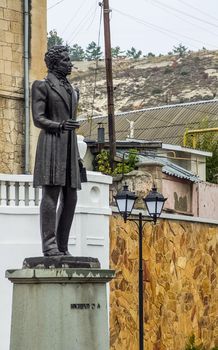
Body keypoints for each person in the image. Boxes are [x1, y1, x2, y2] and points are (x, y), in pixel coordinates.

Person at [32, 45, 83, 256]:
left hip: (70, 147)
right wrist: (60, 125)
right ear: (54, 63)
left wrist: (78, 157)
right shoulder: (42, 86)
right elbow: (38, 118)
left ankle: (63, 246)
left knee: (71, 198)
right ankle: (49, 245)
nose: (70, 63)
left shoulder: (73, 90)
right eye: (65, 60)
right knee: (51, 195)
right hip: (52, 143)